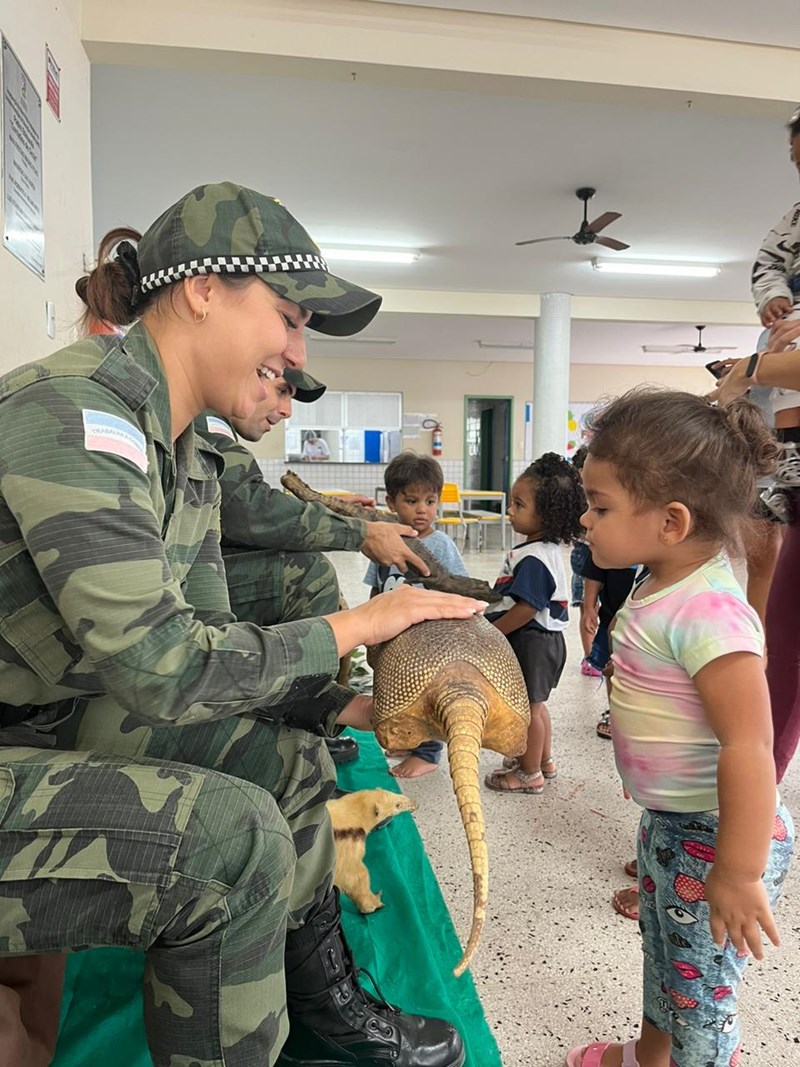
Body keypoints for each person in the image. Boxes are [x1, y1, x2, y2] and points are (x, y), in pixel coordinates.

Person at [0, 182, 481, 1067]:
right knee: (233, 839)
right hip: (22, 734)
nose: (296, 354)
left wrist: (341, 708)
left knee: (284, 759)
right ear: (202, 290)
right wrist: (360, 623)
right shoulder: (75, 416)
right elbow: (164, 668)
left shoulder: (178, 447)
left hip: (44, 717)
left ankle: (314, 1014)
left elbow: (212, 647)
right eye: (289, 318)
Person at [566, 388, 793, 1067]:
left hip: (720, 836)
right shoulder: (660, 576)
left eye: (600, 505)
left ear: (670, 520)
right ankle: (651, 1054)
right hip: (672, 822)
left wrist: (739, 869)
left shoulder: (711, 613)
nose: (584, 519)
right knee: (666, 957)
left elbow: (751, 744)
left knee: (703, 998)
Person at [198, 369, 430, 766]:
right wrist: (359, 533)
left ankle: (312, 707)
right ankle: (301, 728)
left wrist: (336, 512)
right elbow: (247, 508)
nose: (286, 410)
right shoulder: (206, 422)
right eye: (280, 390)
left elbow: (237, 506)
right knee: (308, 575)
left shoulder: (208, 422)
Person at [483, 454, 585, 795]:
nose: (510, 510)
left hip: (534, 640)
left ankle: (528, 775)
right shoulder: (543, 548)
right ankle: (542, 760)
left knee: (528, 710)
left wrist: (491, 632)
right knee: (537, 708)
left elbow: (526, 609)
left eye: (519, 504)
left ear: (545, 515)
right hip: (543, 641)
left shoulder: (534, 559)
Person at [364, 452, 469, 778]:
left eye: (430, 501)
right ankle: (409, 739)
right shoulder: (386, 541)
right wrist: (370, 631)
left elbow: (459, 590)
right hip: (393, 638)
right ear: (391, 502)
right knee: (396, 689)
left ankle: (428, 751)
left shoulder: (441, 546)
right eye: (411, 501)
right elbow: (377, 588)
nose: (422, 509)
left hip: (428, 642)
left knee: (426, 693)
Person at [569, 445, 595, 669]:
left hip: (604, 553)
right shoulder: (576, 496)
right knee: (586, 606)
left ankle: (600, 652)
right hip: (583, 553)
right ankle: (589, 656)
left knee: (601, 608)